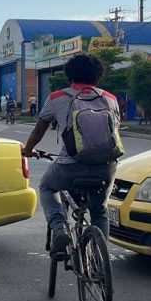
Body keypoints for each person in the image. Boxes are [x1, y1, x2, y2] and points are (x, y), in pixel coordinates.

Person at [21, 54, 121, 259]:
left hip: (70, 164)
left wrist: (28, 149)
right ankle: (99, 259)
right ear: (98, 76)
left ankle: (60, 229)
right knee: (99, 210)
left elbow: (39, 129)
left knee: (47, 186)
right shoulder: (110, 98)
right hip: (106, 165)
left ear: (69, 75)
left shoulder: (57, 98)